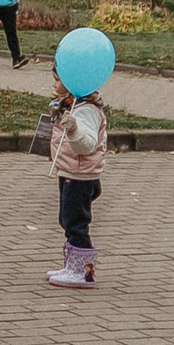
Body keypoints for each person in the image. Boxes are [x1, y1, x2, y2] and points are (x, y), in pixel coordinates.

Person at [40, 75, 109, 289]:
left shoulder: (86, 110)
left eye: (58, 80)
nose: (53, 84)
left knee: (76, 222)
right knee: (67, 219)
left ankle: (84, 273)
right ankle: (72, 265)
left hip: (80, 176)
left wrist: (72, 128)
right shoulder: (72, 105)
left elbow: (87, 145)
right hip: (71, 171)